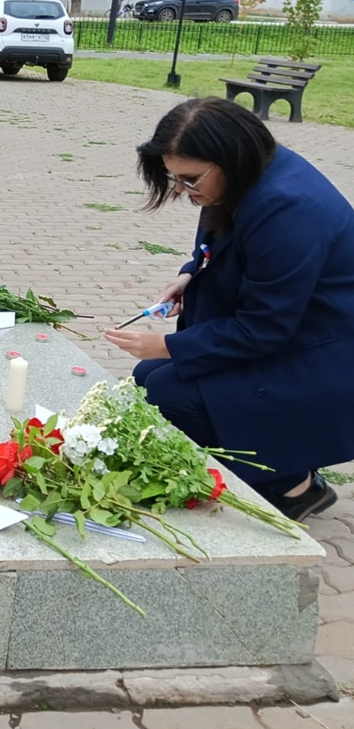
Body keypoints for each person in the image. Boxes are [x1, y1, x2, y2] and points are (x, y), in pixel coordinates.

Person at [105, 96, 354, 522]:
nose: (182, 191)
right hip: (293, 335)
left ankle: (292, 485)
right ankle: (280, 467)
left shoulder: (289, 208)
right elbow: (220, 245)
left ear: (228, 159)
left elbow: (264, 328)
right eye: (174, 178)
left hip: (321, 357)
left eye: (188, 180)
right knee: (147, 377)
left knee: (167, 393)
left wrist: (168, 345)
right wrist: (189, 274)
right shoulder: (245, 174)